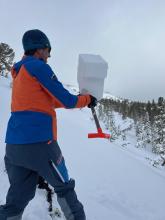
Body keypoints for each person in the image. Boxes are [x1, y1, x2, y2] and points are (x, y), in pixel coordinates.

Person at [0, 29, 97, 220]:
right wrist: (87, 100)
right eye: (48, 50)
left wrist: (79, 99)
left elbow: (48, 102)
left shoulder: (20, 73)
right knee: (64, 187)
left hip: (14, 147)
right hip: (40, 143)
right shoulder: (38, 67)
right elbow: (67, 101)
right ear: (39, 49)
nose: (49, 56)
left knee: (17, 200)